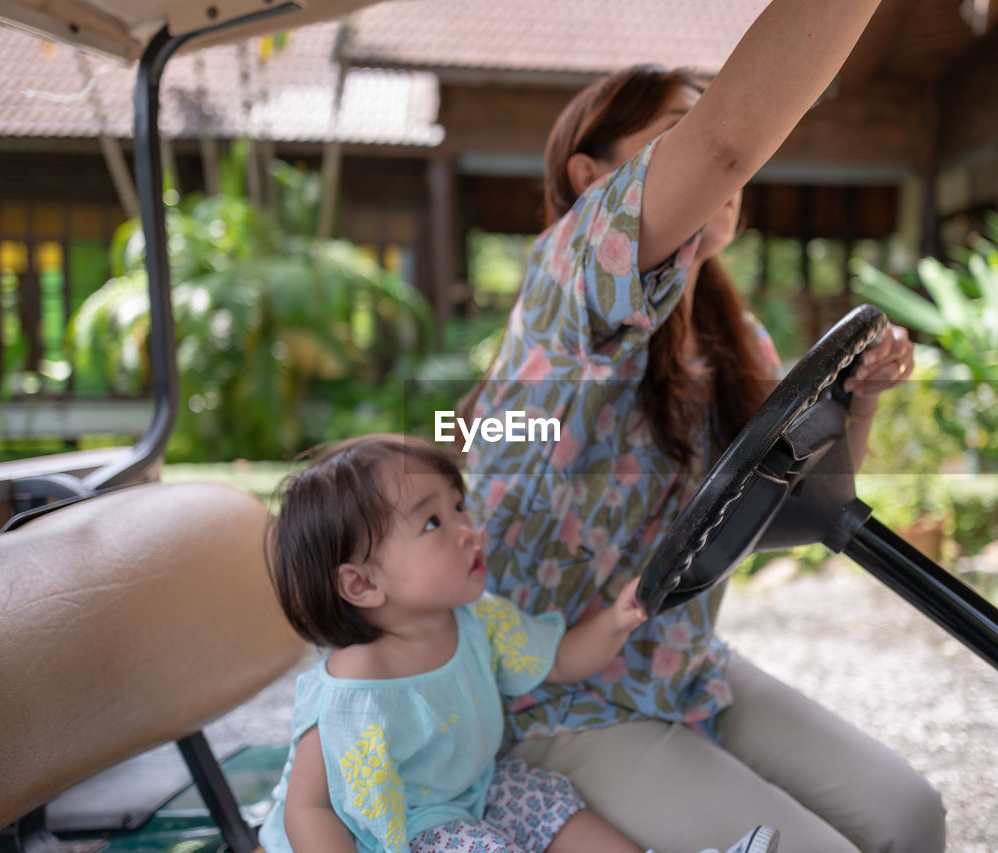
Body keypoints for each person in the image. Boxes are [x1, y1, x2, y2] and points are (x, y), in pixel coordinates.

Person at [460, 3, 944, 852]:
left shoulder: (729, 331)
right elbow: (727, 145)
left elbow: (803, 503)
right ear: (590, 178)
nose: (728, 167)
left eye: (697, 135)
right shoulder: (569, 280)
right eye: (674, 136)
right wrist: (716, 138)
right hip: (554, 697)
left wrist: (861, 395)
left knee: (911, 813)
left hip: (676, 661)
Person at [258, 434, 781, 853]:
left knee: (551, 804)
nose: (468, 530)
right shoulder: (356, 686)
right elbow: (310, 809)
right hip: (395, 835)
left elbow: (558, 661)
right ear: (362, 584)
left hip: (472, 790)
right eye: (433, 522)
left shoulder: (474, 618)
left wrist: (617, 620)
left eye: (460, 506)